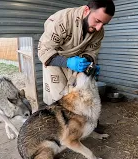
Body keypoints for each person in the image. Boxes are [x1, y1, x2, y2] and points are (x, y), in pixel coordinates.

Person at [38, 0, 115, 133]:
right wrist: (67, 62)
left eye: (104, 24)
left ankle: (88, 124)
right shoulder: (60, 21)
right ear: (86, 10)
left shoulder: (99, 31)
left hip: (78, 62)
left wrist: (89, 65)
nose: (99, 28)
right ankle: (62, 131)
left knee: (83, 93)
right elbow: (43, 51)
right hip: (55, 60)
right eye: (97, 20)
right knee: (61, 98)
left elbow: (91, 52)